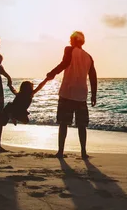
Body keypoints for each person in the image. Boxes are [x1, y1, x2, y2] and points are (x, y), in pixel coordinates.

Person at [40, 31, 97, 160]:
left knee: (63, 123)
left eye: (71, 39)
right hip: (81, 95)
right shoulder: (89, 57)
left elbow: (64, 63)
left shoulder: (69, 49)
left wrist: (53, 73)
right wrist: (94, 95)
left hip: (67, 92)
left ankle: (60, 151)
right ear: (82, 42)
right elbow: (93, 77)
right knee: (82, 125)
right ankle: (83, 152)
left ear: (73, 40)